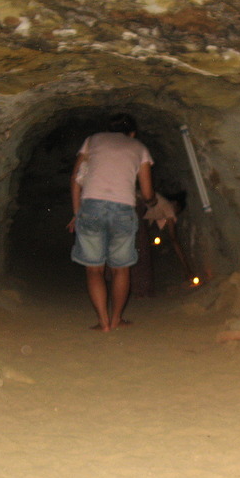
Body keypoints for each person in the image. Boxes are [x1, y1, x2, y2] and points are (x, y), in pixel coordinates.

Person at [66, 113, 157, 332]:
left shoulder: (93, 139)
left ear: (109, 129)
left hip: (92, 206)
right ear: (132, 133)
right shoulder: (139, 148)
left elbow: (76, 177)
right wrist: (152, 201)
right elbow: (146, 193)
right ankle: (117, 319)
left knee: (94, 269)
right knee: (121, 269)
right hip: (122, 209)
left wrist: (77, 214)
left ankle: (103, 322)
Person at [143, 192, 195, 283]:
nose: (174, 215)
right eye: (177, 211)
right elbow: (173, 238)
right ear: (175, 203)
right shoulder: (168, 207)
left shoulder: (162, 205)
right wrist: (187, 269)